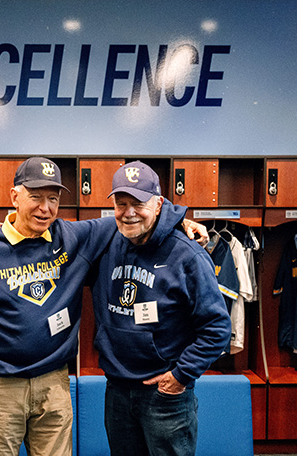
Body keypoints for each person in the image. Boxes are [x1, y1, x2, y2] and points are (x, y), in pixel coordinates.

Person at [0, 157, 207, 456]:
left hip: (54, 384)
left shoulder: (72, 237)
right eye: (35, 197)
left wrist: (180, 221)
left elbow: (137, 217)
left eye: (53, 199)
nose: (45, 208)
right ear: (14, 196)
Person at [90, 161, 231, 456]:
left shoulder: (188, 255)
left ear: (158, 204)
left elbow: (217, 329)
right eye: (121, 203)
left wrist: (181, 376)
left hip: (164, 395)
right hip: (117, 390)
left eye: (138, 203)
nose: (128, 212)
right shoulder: (105, 243)